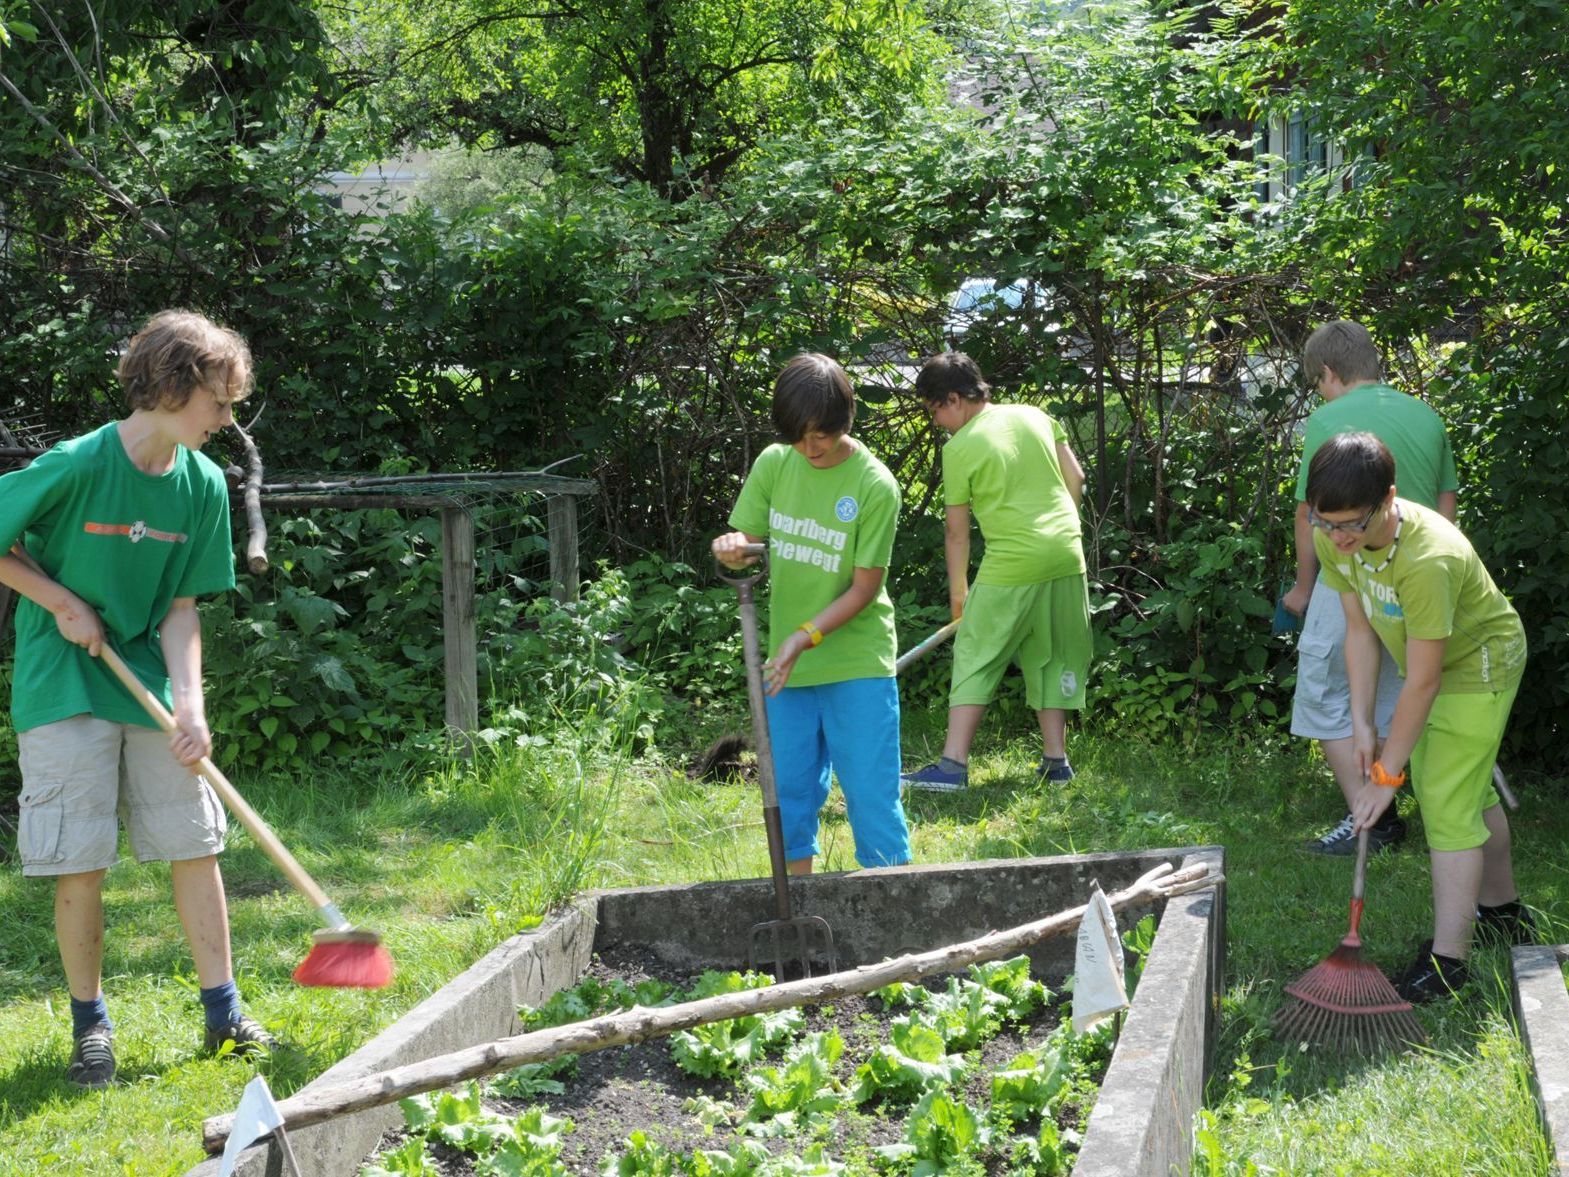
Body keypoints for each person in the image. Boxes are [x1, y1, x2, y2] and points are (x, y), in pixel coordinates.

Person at [0, 309, 275, 1089]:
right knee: (80, 859)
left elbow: (183, 608)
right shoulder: (77, 464)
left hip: (147, 681)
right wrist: (56, 598)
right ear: (174, 385)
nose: (226, 420)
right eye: (220, 402)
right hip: (63, 683)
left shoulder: (200, 488)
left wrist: (191, 705)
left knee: (196, 840)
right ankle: (91, 1027)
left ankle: (222, 1010)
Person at [1307, 431, 1532, 1001]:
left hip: (1478, 665)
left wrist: (1386, 776)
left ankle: (1449, 964)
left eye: (1350, 524)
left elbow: (1427, 680)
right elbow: (1360, 632)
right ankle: (1504, 914)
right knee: (1465, 790)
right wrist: (1362, 722)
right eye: (1324, 522)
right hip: (1429, 669)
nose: (1336, 537)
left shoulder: (1428, 557)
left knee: (1448, 805)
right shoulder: (1337, 537)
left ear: (1389, 498)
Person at [711, 353, 911, 874]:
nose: (810, 448)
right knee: (792, 790)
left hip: (855, 663)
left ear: (845, 418)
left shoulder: (874, 486)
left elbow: (865, 588)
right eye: (799, 436)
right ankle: (799, 906)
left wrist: (802, 637)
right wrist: (732, 546)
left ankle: (890, 905)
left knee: (871, 793)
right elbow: (746, 540)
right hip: (786, 669)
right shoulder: (776, 464)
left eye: (820, 435)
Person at [1282, 320, 1459, 855]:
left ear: (1328, 373)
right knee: (1393, 694)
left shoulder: (1328, 419)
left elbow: (1310, 512)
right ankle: (1391, 803)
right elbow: (1447, 505)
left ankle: (1372, 819)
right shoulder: (1426, 414)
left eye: (1318, 382)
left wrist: (1302, 584)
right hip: (1422, 573)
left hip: (1353, 567)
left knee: (1325, 695)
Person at [899, 351, 1089, 792]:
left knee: (976, 652)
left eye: (935, 411)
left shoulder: (961, 447)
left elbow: (956, 532)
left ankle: (952, 765)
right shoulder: (1035, 415)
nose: (936, 422)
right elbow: (1076, 478)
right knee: (1051, 652)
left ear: (953, 398)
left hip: (1014, 561)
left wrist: (959, 594)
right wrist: (1058, 535)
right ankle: (1056, 762)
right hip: (1067, 553)